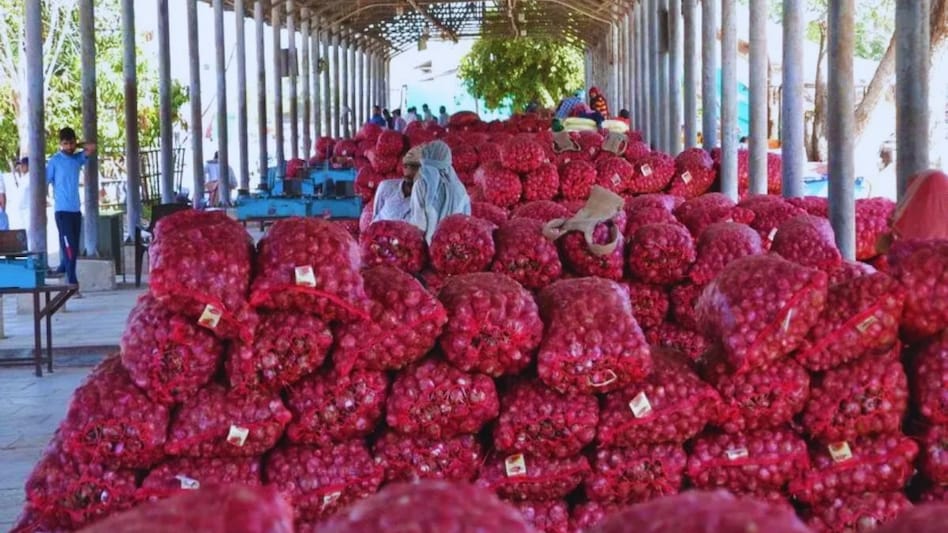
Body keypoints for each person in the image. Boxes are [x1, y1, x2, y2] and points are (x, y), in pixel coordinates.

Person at [47, 127, 95, 288]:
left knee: (74, 244)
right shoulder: (54, 161)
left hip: (76, 210)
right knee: (70, 246)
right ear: (60, 144)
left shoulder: (77, 158)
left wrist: (78, 144)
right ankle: (72, 281)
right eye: (65, 144)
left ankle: (63, 266)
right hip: (62, 211)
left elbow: (91, 147)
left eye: (71, 143)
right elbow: (44, 182)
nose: (69, 147)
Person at [409, 140, 471, 243]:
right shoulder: (460, 188)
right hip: (452, 248)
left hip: (428, 249)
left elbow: (419, 224)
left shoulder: (422, 185)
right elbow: (467, 220)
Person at [371, 145, 423, 223]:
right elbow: (375, 215)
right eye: (406, 167)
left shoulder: (424, 199)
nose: (409, 171)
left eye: (415, 168)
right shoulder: (386, 187)